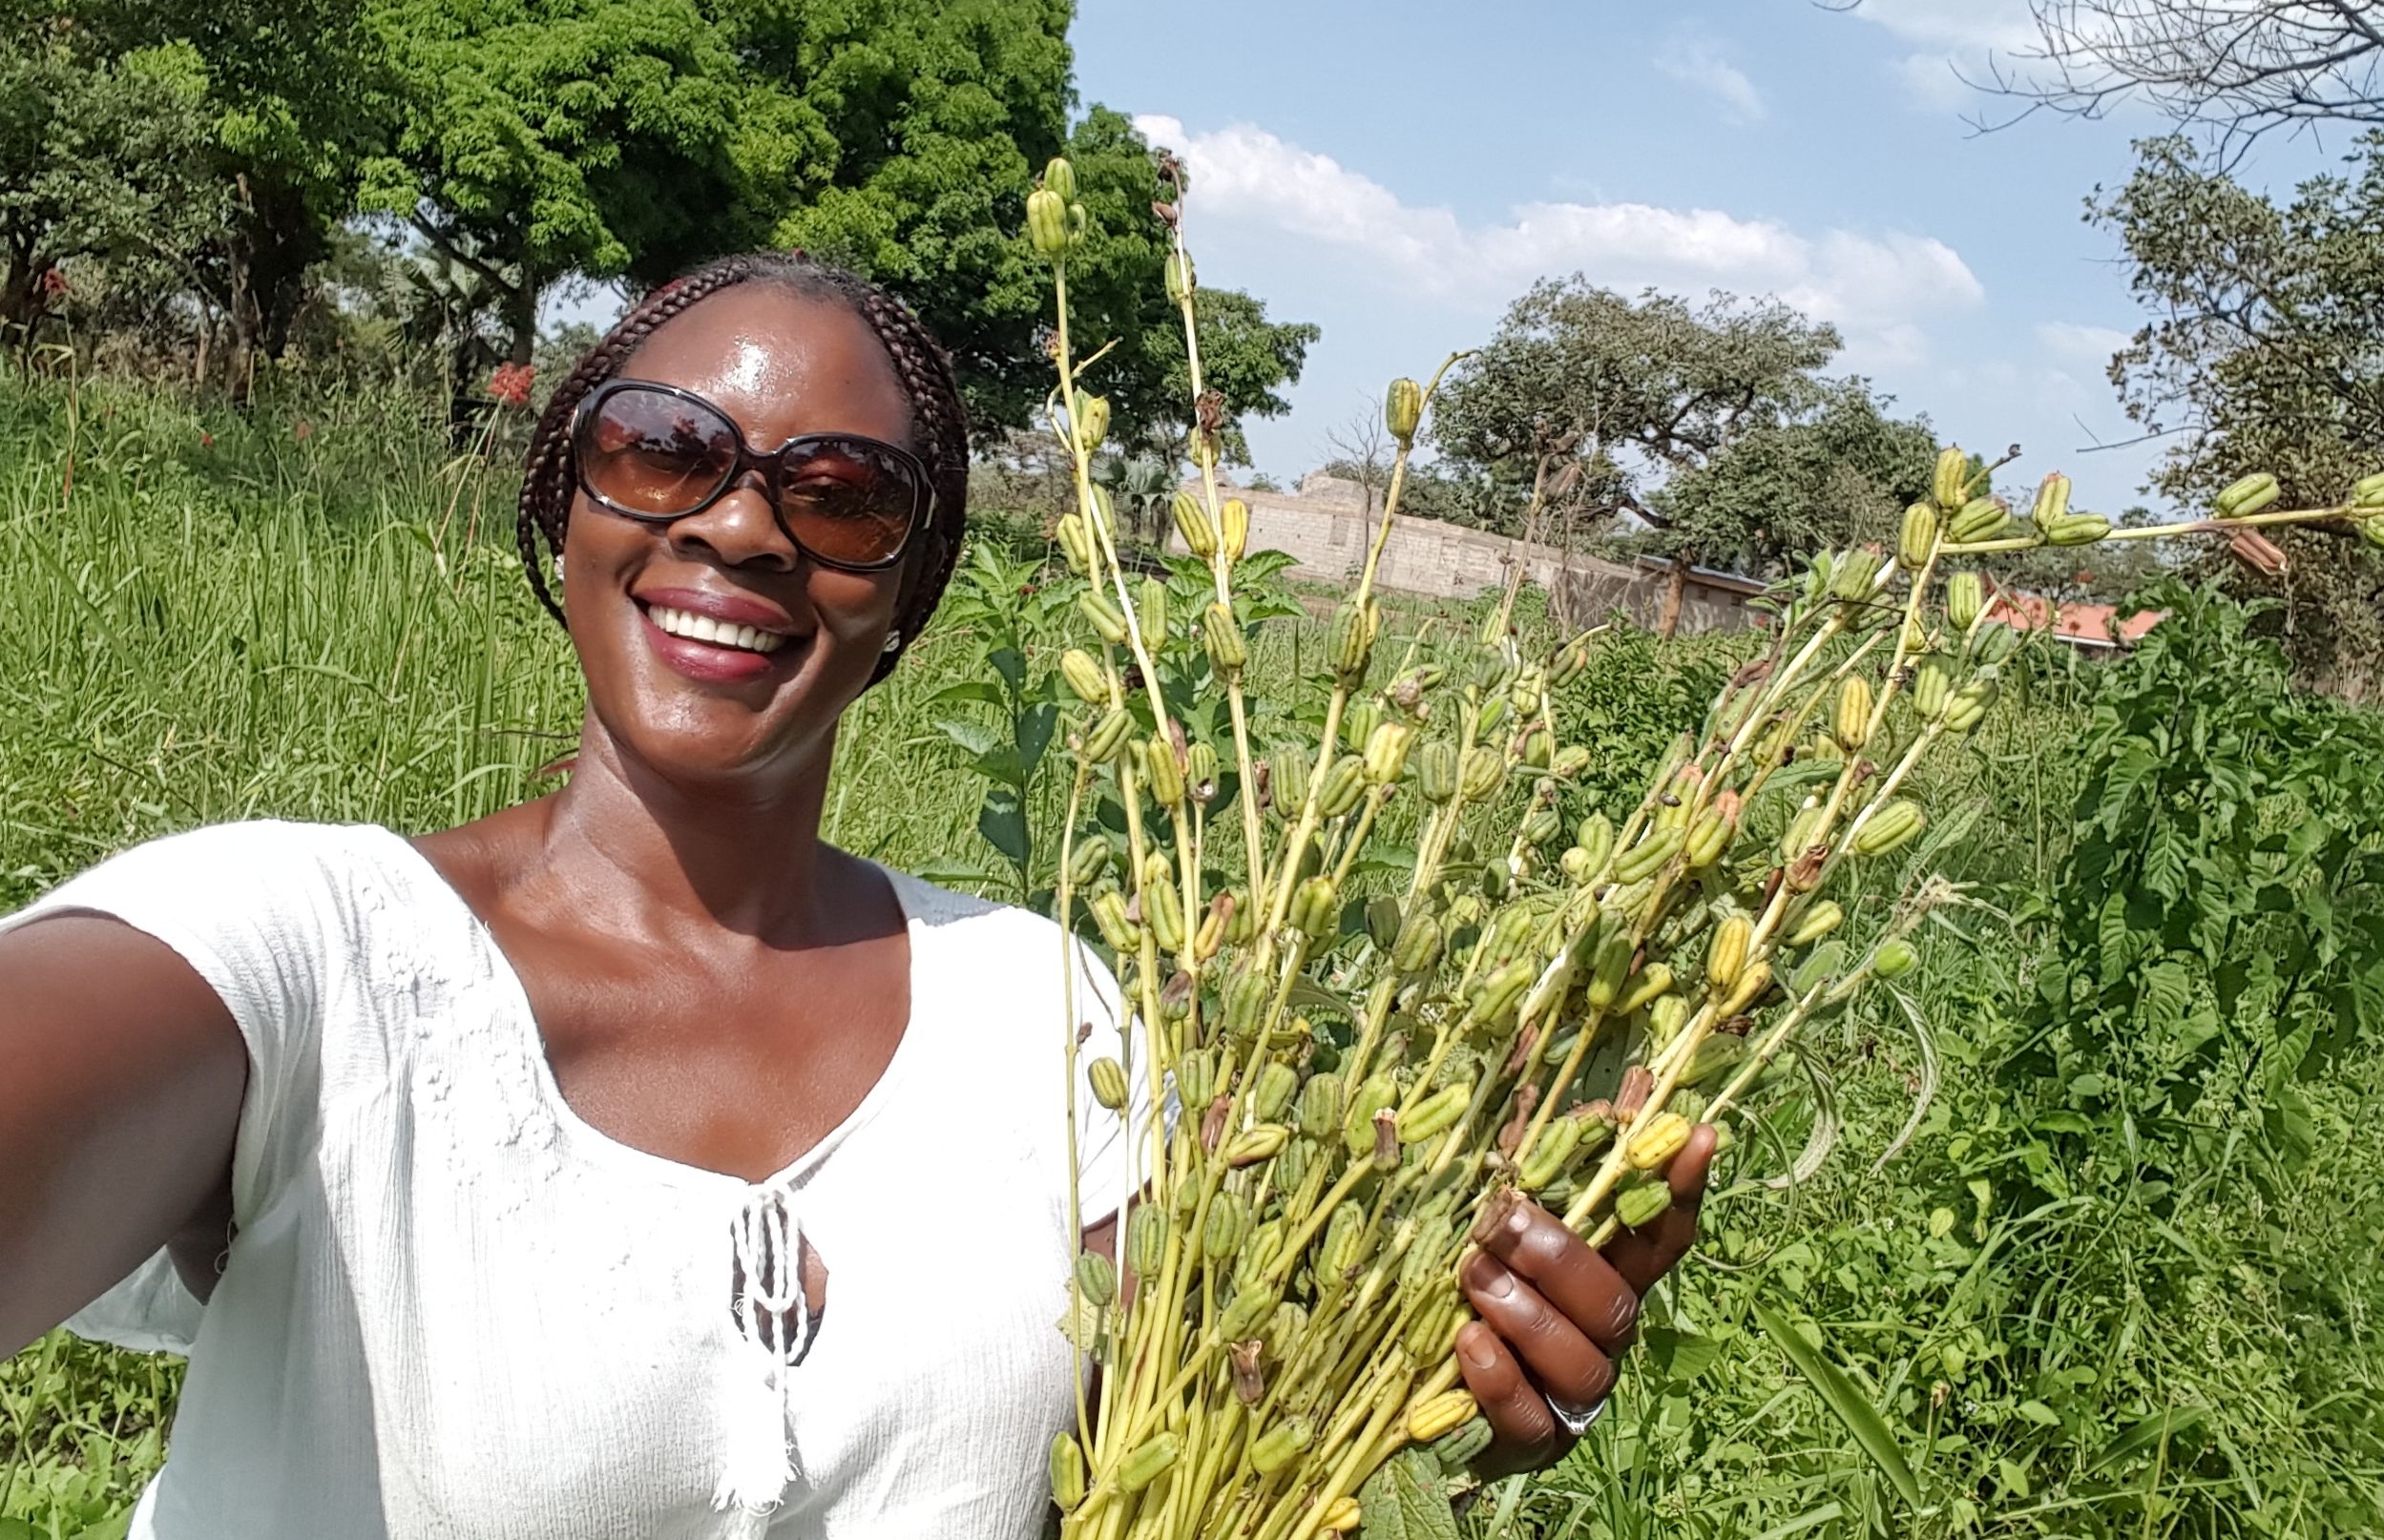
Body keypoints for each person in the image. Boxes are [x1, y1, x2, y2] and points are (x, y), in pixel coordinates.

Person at [0, 254, 1718, 1537]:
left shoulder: (1042, 1006)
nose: (745, 529)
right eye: (668, 449)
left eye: (841, 495)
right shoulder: (307, 950)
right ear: (567, 489)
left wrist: (1443, 1397)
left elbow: (1193, 1428)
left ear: (905, 592)